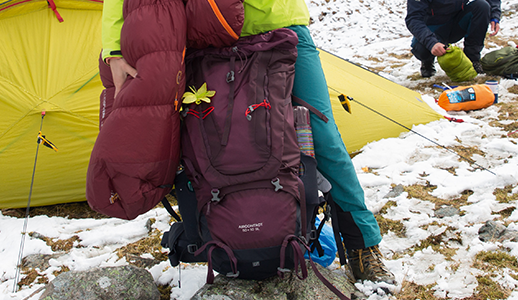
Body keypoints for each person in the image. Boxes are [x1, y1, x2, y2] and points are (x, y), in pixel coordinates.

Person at [100, 0, 397, 284]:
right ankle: (221, 238)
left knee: (323, 136)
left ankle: (363, 246)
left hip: (280, 24)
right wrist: (115, 47)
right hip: (207, 35)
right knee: (206, 145)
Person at [406, 0, 503, 78]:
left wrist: (494, 15)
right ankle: (427, 61)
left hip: (457, 24)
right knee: (421, 49)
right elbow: (413, 19)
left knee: (482, 6)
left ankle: (472, 61)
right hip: (433, 29)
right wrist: (431, 43)